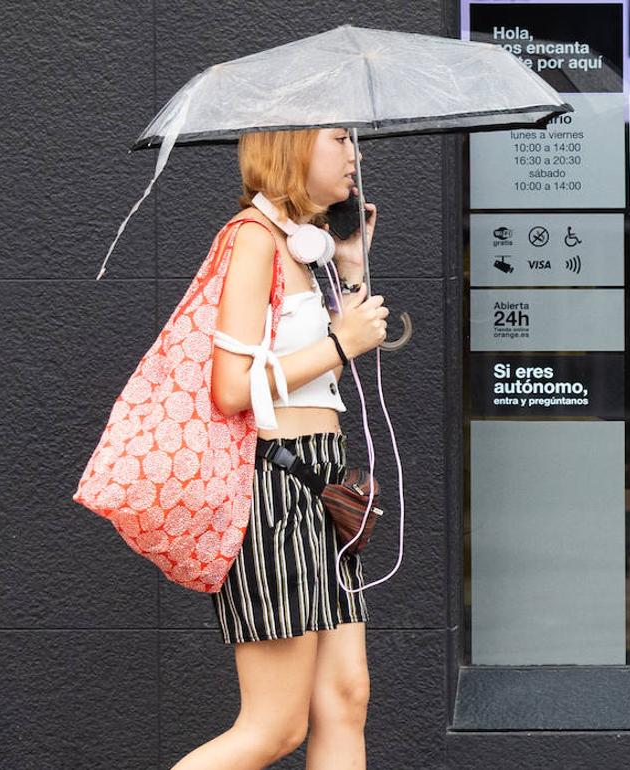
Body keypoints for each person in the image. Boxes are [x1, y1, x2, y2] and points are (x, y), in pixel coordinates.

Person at [171, 127, 389, 770]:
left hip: (324, 486)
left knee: (346, 699)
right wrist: (341, 341)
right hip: (275, 488)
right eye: (339, 137)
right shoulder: (250, 240)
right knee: (274, 727)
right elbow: (231, 388)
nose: (355, 154)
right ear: (292, 146)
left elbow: (318, 381)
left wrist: (350, 272)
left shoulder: (307, 251)